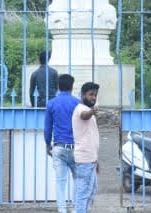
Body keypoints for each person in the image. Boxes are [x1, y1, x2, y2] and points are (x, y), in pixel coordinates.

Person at [44, 74, 79, 213]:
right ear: (72, 86)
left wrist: (48, 144)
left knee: (60, 182)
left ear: (58, 86)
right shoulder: (77, 103)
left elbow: (48, 127)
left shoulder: (51, 103)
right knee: (78, 180)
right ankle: (76, 209)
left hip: (58, 147)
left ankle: (62, 210)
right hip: (76, 147)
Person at [72, 82, 100, 213]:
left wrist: (96, 160)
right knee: (83, 193)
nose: (93, 97)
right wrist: (92, 111)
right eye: (91, 95)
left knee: (91, 191)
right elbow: (85, 115)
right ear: (83, 95)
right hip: (84, 160)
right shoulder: (81, 109)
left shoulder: (87, 109)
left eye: (95, 95)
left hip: (91, 159)